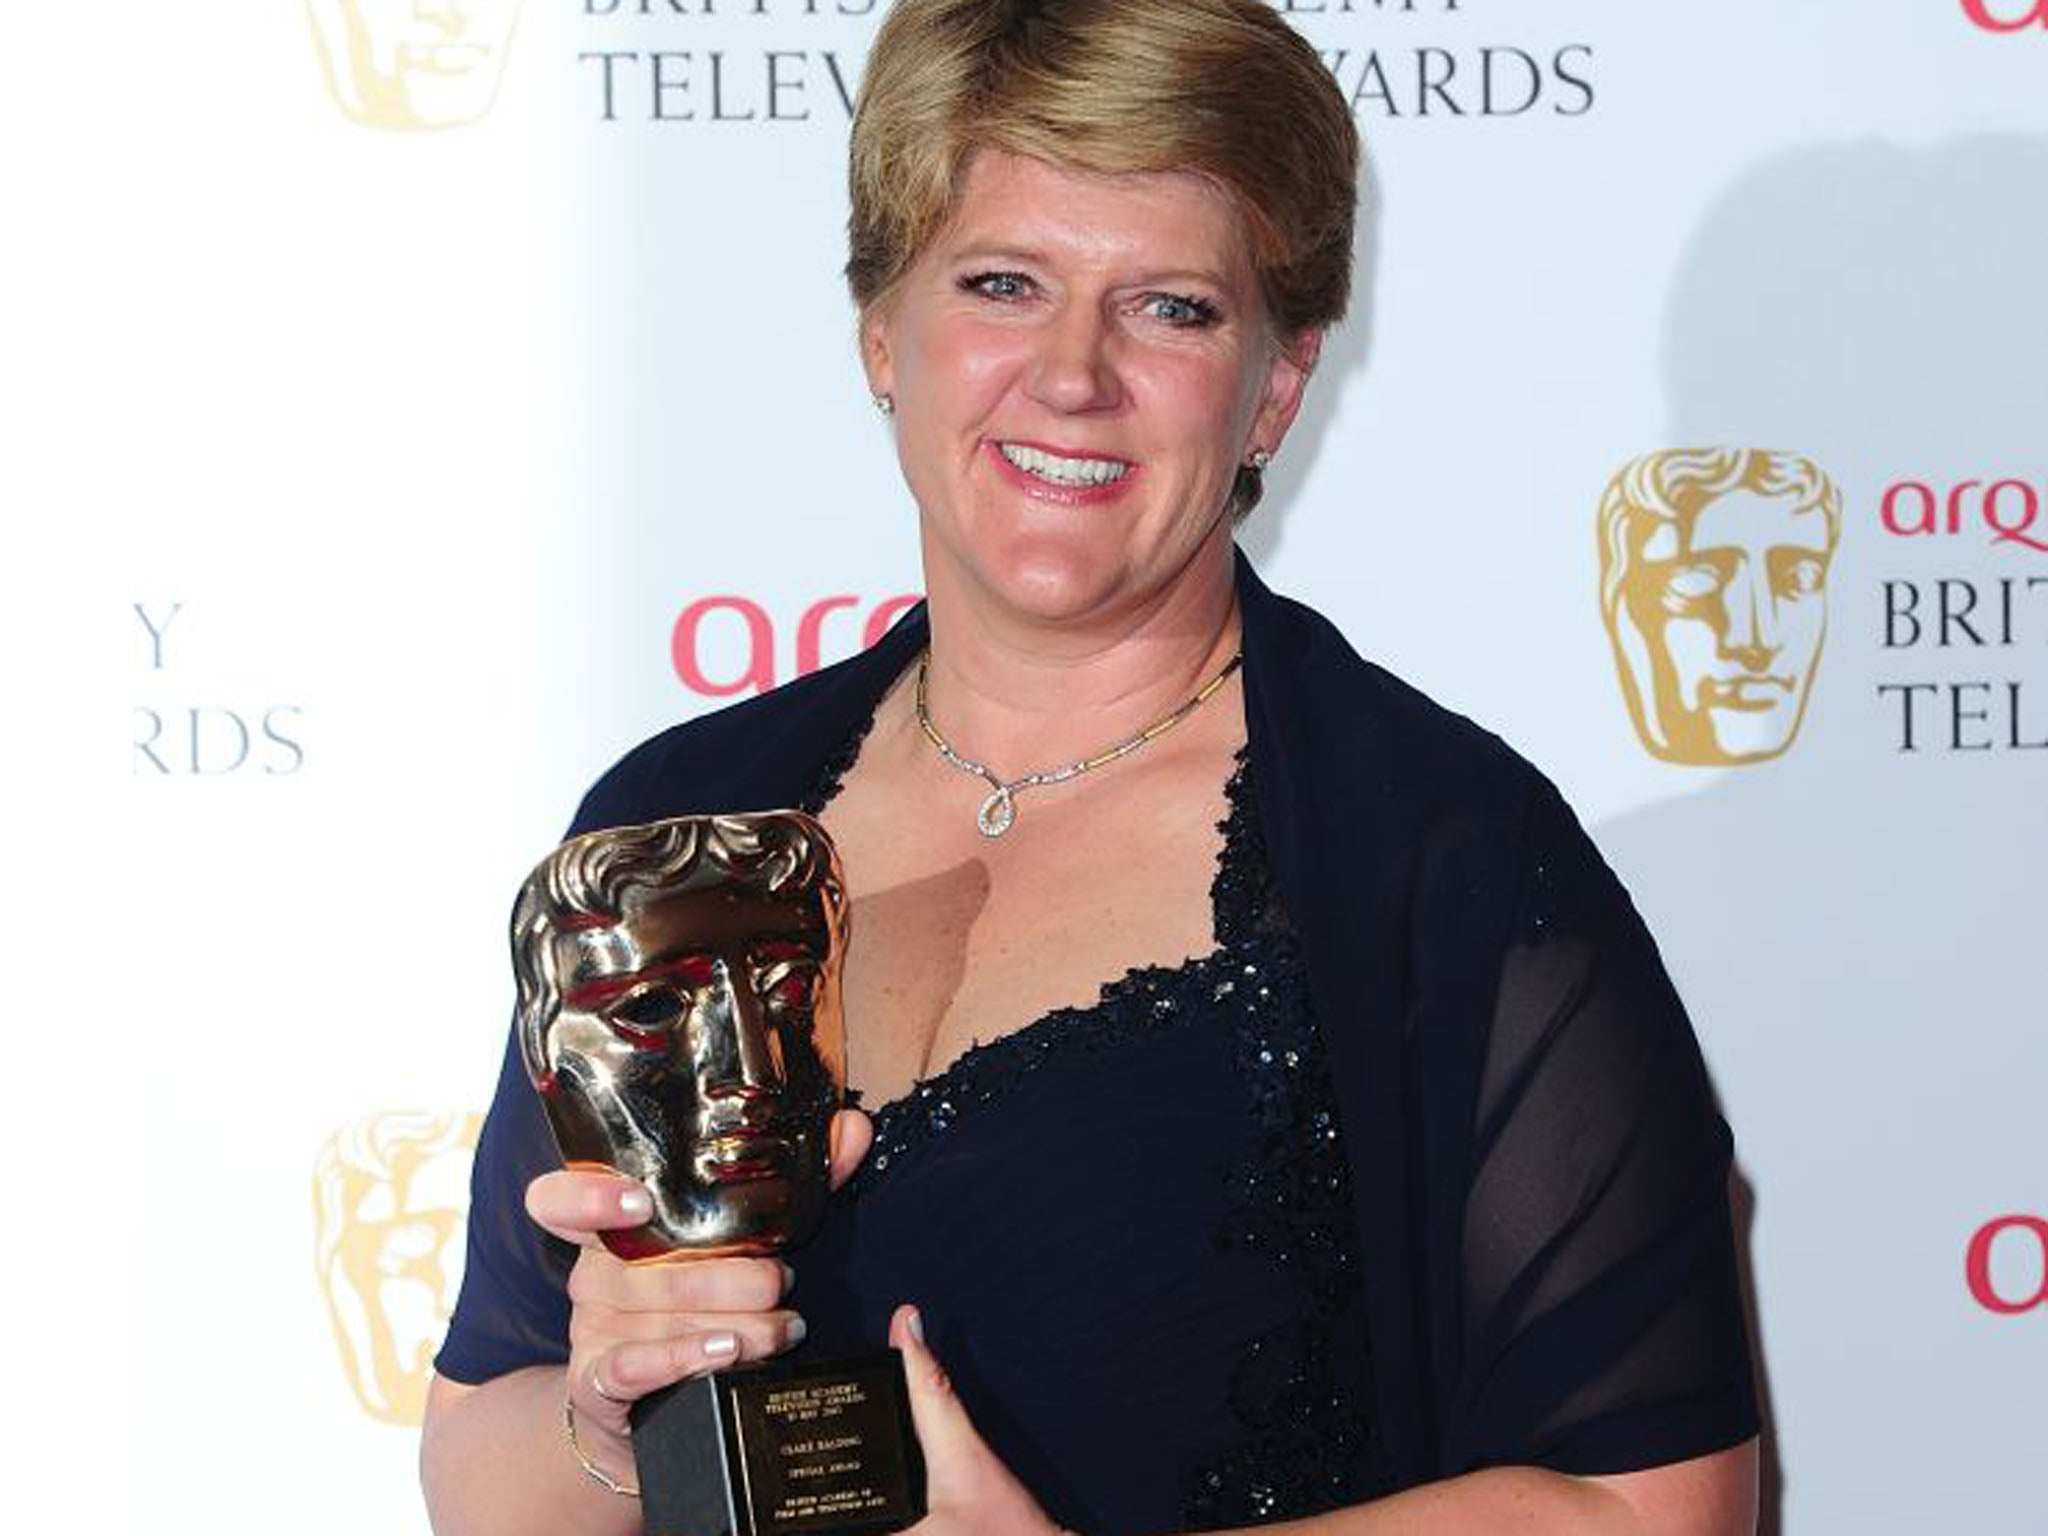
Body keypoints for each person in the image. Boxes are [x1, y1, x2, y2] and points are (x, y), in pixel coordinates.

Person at [420, 2, 1761, 1533]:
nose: (1073, 375)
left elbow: (1650, 1510)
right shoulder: (679, 829)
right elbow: (484, 1460)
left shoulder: (1437, 857)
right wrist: (607, 1418)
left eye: (1170, 308)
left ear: (1275, 383)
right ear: (882, 333)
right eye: (1003, 283)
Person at [1598, 448, 1841, 766]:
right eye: (1697, 583)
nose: (1758, 640)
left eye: (1799, 579)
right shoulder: (1532, 803)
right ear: (1621, 607)